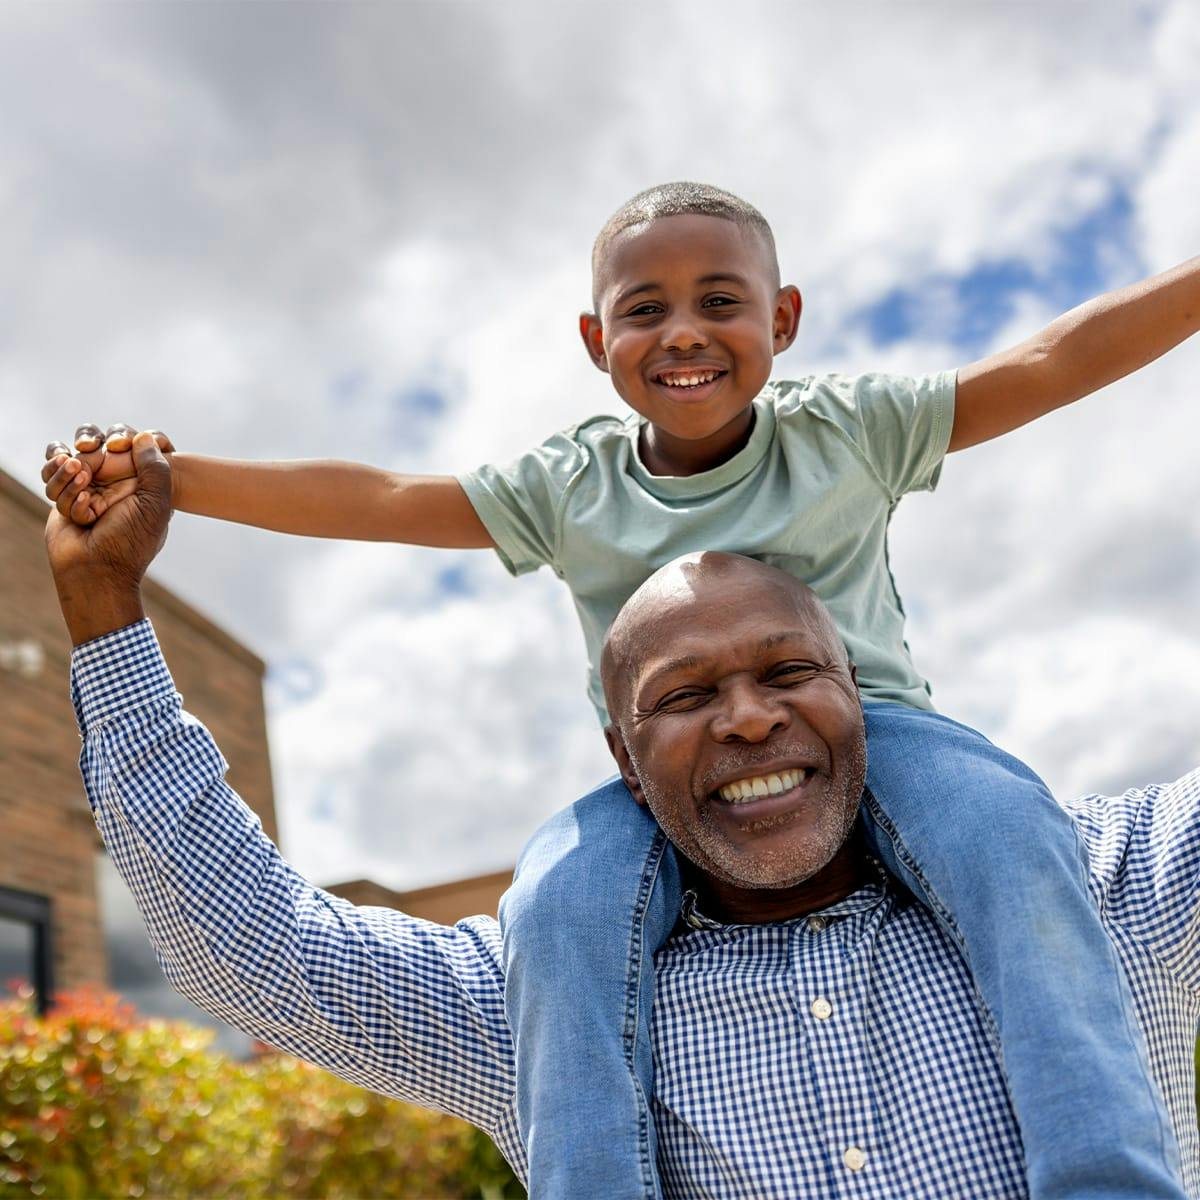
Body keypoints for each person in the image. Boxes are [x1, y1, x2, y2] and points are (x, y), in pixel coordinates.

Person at [42, 183, 1200, 1198]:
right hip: (650, 810)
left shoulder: (851, 433)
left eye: (720, 300)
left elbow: (1052, 364)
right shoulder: (570, 486)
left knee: (1010, 840)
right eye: (646, 310)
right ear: (597, 341)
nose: (684, 331)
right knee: (551, 898)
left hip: (901, 737)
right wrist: (172, 481)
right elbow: (388, 497)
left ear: (783, 318)